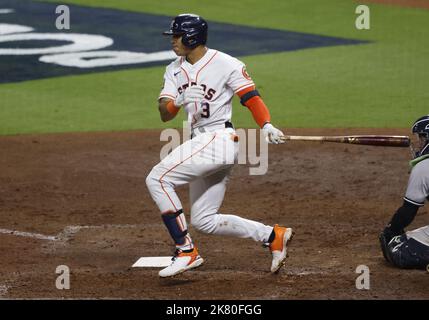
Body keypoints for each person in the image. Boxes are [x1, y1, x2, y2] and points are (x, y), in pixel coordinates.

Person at [145, 14, 293, 278]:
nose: (173, 41)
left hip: (218, 140)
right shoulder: (173, 69)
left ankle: (185, 251)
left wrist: (266, 125)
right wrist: (177, 100)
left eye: (177, 36)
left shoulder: (226, 64)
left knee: (157, 179)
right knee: (204, 220)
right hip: (201, 142)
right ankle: (273, 236)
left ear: (192, 37)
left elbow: (250, 97)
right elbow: (164, 113)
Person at [379, 115, 429, 270]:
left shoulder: (424, 167)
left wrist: (391, 230)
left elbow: (408, 210)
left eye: (421, 138)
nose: (419, 144)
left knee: (398, 249)